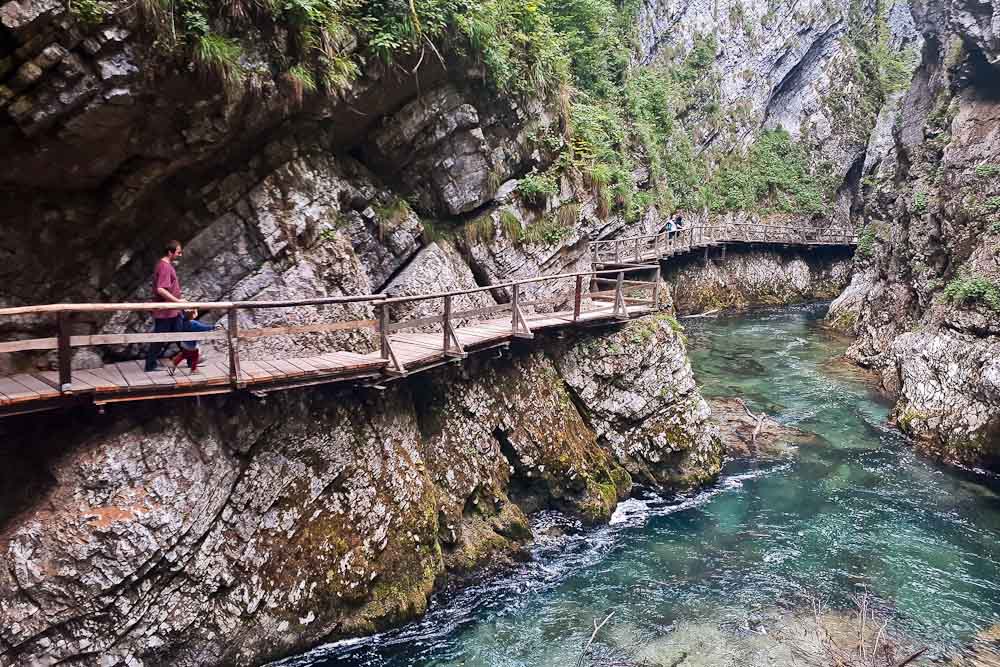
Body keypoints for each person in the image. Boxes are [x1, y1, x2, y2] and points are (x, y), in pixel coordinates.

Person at [144, 240, 184, 372]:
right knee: (160, 338)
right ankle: (150, 365)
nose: (180, 255)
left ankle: (192, 357)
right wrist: (176, 301)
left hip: (172, 310)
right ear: (170, 252)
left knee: (181, 333)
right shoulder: (165, 267)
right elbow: (161, 289)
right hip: (165, 311)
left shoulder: (164, 265)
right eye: (178, 252)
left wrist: (178, 301)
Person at [167, 310, 215, 374]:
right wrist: (213, 327)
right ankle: (193, 369)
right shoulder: (193, 323)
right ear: (193, 315)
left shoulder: (183, 321)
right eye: (195, 312)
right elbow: (203, 328)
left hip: (184, 342)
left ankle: (173, 364)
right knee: (195, 356)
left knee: (184, 354)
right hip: (191, 344)